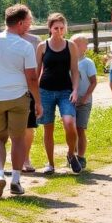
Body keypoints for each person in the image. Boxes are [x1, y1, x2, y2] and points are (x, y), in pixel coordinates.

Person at [0, 4, 41, 198]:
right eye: (28, 22)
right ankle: (16, 180)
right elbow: (31, 77)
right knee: (18, 138)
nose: (29, 25)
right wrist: (37, 101)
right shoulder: (25, 46)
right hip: (17, 97)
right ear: (19, 23)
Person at [35, 13, 81, 174]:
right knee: (48, 129)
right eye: (56, 28)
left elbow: (75, 71)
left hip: (65, 91)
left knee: (69, 123)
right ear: (50, 29)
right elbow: (36, 72)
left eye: (62, 28)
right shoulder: (42, 46)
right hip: (45, 91)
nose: (59, 31)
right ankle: (50, 163)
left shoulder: (71, 46)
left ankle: (70, 154)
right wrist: (36, 96)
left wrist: (75, 90)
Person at [71, 34, 97, 171]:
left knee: (80, 129)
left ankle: (81, 156)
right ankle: (72, 155)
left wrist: (85, 97)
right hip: (71, 100)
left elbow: (93, 82)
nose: (72, 46)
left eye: (76, 44)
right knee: (71, 129)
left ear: (84, 48)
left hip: (84, 102)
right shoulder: (68, 62)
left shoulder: (87, 63)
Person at [20, 31, 41, 174]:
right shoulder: (4, 39)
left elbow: (40, 66)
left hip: (29, 88)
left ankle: (25, 159)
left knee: (28, 126)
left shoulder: (35, 41)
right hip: (9, 89)